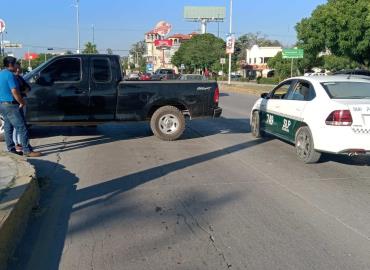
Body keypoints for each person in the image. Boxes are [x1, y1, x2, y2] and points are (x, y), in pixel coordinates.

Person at [0, 56, 41, 157]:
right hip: (12, 105)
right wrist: (21, 102)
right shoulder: (10, 75)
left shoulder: (1, 74)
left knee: (8, 127)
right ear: (11, 65)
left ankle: (11, 149)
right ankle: (27, 151)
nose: (17, 66)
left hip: (3, 104)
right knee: (22, 128)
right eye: (15, 64)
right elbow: (14, 91)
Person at [12, 62, 31, 152]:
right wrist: (22, 92)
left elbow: (28, 88)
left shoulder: (20, 78)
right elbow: (14, 91)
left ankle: (21, 143)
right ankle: (17, 144)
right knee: (17, 125)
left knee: (22, 123)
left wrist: (23, 92)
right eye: (16, 68)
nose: (18, 70)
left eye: (19, 68)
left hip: (22, 102)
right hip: (15, 103)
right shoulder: (11, 78)